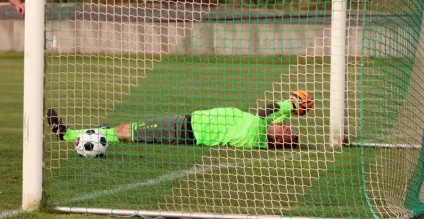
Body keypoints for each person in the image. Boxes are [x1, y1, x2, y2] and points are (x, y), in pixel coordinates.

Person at [47, 91, 314, 149]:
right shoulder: (260, 131)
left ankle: (70, 135)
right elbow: (268, 115)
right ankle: (73, 133)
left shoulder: (257, 135)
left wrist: (290, 105)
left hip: (183, 130)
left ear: (278, 138)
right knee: (123, 129)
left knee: (124, 130)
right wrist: (290, 108)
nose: (284, 125)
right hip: (185, 122)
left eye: (286, 130)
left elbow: (266, 112)